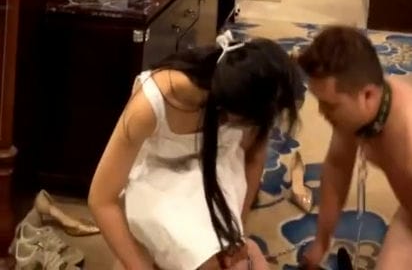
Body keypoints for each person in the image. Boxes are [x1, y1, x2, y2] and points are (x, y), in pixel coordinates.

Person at [88, 31, 303, 270]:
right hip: (156, 178)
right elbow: (101, 200)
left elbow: (254, 158)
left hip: (219, 167)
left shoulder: (246, 105)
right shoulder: (152, 103)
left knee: (231, 262)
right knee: (197, 255)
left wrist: (239, 232)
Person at [297, 25, 412, 270]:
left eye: (330, 105)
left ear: (367, 95)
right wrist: (322, 242)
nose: (322, 112)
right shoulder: (356, 113)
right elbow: (336, 169)